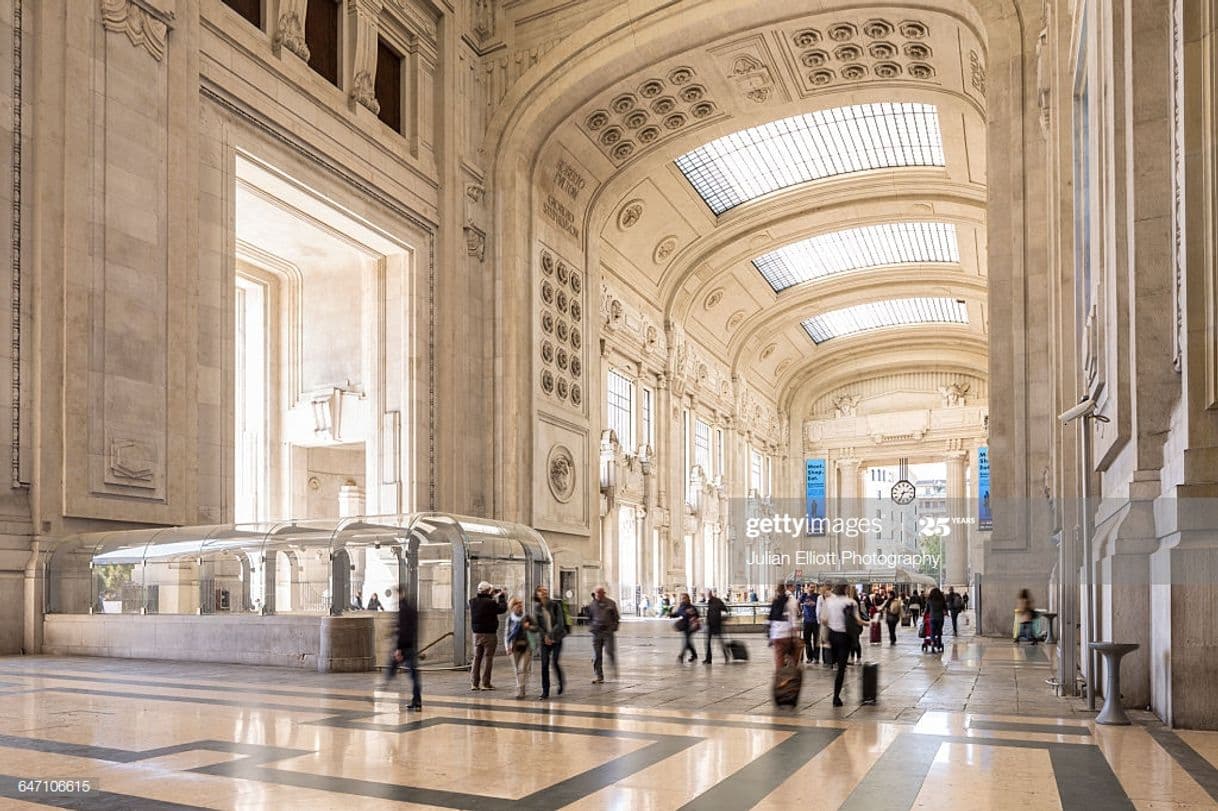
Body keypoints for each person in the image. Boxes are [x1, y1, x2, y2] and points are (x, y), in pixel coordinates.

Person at [378, 590, 422, 711]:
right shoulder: (412, 609)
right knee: (414, 676)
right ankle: (417, 701)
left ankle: (381, 695)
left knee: (391, 670)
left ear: (400, 594)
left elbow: (403, 630)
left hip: (403, 647)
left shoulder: (403, 609)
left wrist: (398, 649)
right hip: (410, 646)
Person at [469, 581, 508, 690]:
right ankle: (486, 684)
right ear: (487, 591)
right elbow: (502, 609)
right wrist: (501, 597)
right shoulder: (490, 603)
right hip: (489, 634)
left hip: (476, 634)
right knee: (488, 658)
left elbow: (483, 601)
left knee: (476, 658)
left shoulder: (472, 602)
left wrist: (492, 594)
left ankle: (474, 683)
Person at [823, 584, 855, 707]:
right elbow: (857, 620)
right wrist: (868, 622)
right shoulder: (850, 602)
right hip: (844, 637)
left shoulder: (829, 601)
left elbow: (824, 620)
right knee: (841, 668)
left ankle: (835, 670)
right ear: (846, 589)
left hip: (832, 635)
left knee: (836, 665)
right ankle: (836, 697)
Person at [532, 585, 568, 699]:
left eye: (545, 590)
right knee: (544, 665)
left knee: (555, 661)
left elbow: (560, 623)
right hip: (545, 640)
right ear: (537, 594)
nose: (543, 592)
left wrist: (550, 636)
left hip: (557, 638)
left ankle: (561, 682)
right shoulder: (537, 608)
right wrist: (545, 637)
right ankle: (545, 691)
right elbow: (537, 625)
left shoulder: (555, 605)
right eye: (540, 590)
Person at [587, 585, 620, 683]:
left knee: (609, 651)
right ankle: (599, 676)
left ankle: (613, 668)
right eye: (597, 593)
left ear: (604, 593)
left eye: (600, 593)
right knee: (597, 655)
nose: (598, 595)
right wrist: (592, 628)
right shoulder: (592, 605)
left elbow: (616, 617)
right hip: (596, 633)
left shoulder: (611, 603)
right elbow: (589, 618)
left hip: (608, 632)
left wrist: (613, 628)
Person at [504, 597, 535, 700]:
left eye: (520, 603)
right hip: (514, 647)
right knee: (517, 670)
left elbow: (536, 628)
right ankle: (522, 687)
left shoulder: (527, 617)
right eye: (517, 604)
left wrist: (529, 627)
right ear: (512, 607)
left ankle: (520, 689)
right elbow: (507, 634)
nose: (519, 605)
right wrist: (507, 647)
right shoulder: (510, 619)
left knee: (523, 669)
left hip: (526, 646)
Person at [766, 583, 800, 670]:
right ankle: (790, 676)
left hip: (777, 635)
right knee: (792, 658)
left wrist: (769, 637)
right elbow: (793, 618)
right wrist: (795, 634)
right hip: (788, 634)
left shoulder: (775, 601)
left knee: (779, 661)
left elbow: (770, 620)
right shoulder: (791, 600)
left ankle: (781, 678)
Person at [672, 593, 701, 663]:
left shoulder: (691, 607)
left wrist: (692, 616)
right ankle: (694, 655)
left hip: (691, 626)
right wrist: (671, 615)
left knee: (686, 641)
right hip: (684, 626)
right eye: (682, 598)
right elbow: (678, 613)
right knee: (688, 642)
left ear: (688, 598)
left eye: (684, 598)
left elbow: (696, 615)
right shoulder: (681, 606)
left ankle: (681, 656)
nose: (683, 599)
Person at [704, 589, 727, 663]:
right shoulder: (709, 602)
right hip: (710, 625)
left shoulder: (717, 601)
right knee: (708, 642)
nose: (707, 595)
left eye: (708, 594)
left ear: (710, 594)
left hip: (717, 625)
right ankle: (708, 659)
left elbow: (725, 609)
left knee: (720, 642)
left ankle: (726, 655)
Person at [799, 584, 819, 664]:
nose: (812, 589)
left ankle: (816, 657)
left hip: (816, 621)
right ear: (807, 588)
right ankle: (809, 657)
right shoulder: (803, 596)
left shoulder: (817, 596)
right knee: (807, 640)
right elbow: (797, 602)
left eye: (814, 587)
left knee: (816, 640)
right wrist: (799, 611)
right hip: (807, 621)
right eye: (811, 587)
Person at [926, 587, 947, 653]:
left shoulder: (929, 600)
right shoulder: (942, 600)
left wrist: (925, 613)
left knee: (932, 632)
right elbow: (945, 607)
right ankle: (938, 645)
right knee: (939, 632)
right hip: (940, 618)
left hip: (932, 618)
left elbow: (927, 610)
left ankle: (932, 643)